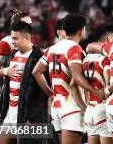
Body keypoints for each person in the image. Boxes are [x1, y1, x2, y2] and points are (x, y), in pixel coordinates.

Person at [33, 13, 103, 144]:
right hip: (72, 106)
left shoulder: (51, 49)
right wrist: (96, 92)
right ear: (82, 30)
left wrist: (51, 93)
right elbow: (76, 77)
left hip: (57, 106)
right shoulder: (75, 49)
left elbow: (36, 72)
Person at [0, 21, 49, 144]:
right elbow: (5, 87)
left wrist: (33, 119)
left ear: (26, 37)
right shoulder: (11, 56)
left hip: (28, 119)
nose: (12, 41)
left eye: (15, 38)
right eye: (11, 38)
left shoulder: (39, 57)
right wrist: (0, 108)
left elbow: (42, 93)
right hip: (10, 115)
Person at [83, 24, 113, 144]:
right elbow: (108, 85)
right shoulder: (106, 60)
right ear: (109, 39)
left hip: (90, 110)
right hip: (103, 108)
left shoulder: (85, 59)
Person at [0, 11, 32, 84]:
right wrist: (6, 71)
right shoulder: (7, 42)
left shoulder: (30, 38)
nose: (29, 27)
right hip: (11, 90)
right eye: (25, 24)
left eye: (30, 24)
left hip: (28, 89)